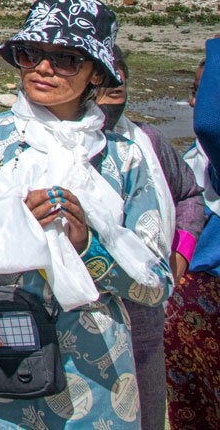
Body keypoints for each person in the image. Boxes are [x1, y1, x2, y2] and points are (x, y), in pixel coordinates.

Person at [0, 0, 172, 428]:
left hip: (99, 373)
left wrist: (88, 246)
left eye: (65, 59)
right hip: (3, 362)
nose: (43, 68)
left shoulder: (124, 158)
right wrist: (9, 228)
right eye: (32, 54)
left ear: (97, 72)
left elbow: (155, 286)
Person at [94, 48, 202, 430]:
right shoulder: (43, 144)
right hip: (76, 327)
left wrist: (180, 258)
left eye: (117, 88)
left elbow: (189, 196)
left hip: (142, 323)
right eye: (101, 88)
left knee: (144, 413)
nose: (109, 99)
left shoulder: (147, 142)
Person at [165, 46, 220, 427]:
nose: (195, 100)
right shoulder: (192, 159)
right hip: (184, 308)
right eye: (196, 89)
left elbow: (211, 124)